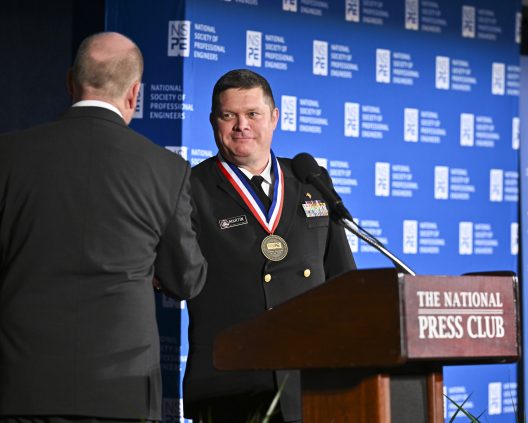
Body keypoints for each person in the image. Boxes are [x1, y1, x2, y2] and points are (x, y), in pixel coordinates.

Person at [0, 32, 207, 420]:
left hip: (22, 388)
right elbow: (186, 280)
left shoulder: (8, 156)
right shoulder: (165, 170)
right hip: (122, 395)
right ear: (134, 94)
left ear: (70, 83)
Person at [183, 69, 356, 422]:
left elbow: (343, 279)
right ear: (213, 121)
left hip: (308, 379)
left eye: (252, 114)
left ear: (274, 118)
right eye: (229, 115)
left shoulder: (311, 180)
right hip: (229, 383)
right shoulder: (189, 188)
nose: (241, 125)